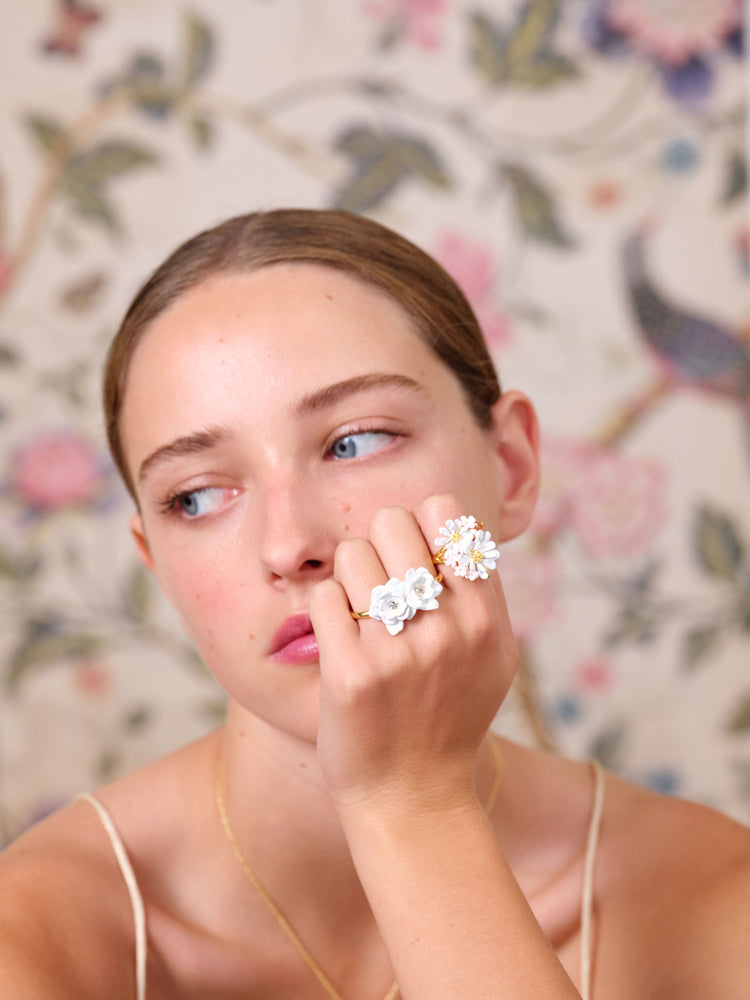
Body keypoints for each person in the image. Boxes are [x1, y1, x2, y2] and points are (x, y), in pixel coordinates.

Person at [1, 208, 749, 1000]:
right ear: (156, 561)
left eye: (354, 441)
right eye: (197, 495)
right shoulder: (34, 933)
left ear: (513, 469)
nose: (289, 545)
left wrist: (411, 804)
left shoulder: (711, 894)